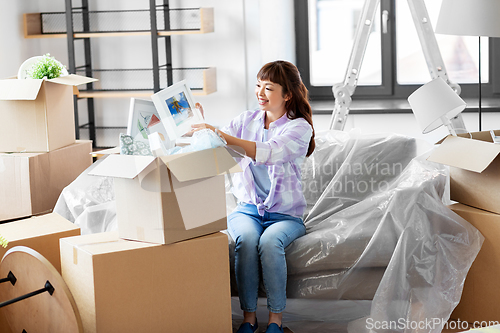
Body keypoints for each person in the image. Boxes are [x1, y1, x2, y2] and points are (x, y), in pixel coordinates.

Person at [191, 60, 315, 333]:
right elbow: (218, 147)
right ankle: (249, 320)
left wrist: (218, 133)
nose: (260, 92)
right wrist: (201, 127)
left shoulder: (299, 128)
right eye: (258, 85)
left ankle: (275, 322)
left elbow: (268, 151)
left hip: (285, 215)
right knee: (246, 240)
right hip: (248, 209)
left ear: (287, 94)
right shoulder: (244, 120)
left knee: (270, 242)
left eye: (268, 87)